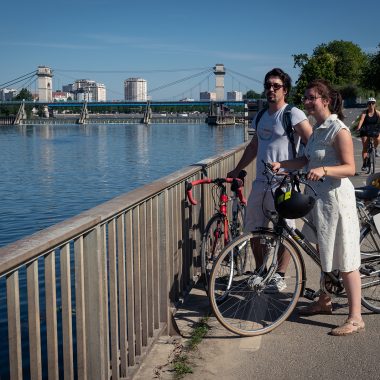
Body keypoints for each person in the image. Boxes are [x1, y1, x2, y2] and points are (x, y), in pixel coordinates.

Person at [271, 79, 364, 336]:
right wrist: (284, 164)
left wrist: (324, 169)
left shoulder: (338, 129)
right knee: (324, 252)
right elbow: (305, 159)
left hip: (337, 200)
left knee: (345, 258)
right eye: (306, 97)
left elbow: (350, 168)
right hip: (319, 201)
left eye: (312, 97)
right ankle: (324, 301)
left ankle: (356, 317)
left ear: (326, 100)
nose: (308, 102)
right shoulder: (317, 129)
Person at [227, 67, 312, 292]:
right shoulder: (262, 115)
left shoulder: (293, 114)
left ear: (285, 90)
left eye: (276, 86)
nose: (271, 89)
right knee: (254, 228)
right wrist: (237, 170)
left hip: (283, 184)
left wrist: (300, 167)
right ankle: (261, 271)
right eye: (268, 85)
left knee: (284, 230)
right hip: (261, 183)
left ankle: (280, 275)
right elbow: (254, 146)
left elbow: (312, 144)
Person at [356, 97, 380, 170]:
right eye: (369, 103)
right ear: (367, 104)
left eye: (373, 103)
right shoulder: (364, 112)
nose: (371, 105)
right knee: (365, 147)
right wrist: (358, 128)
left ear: (375, 104)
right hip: (365, 129)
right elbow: (361, 120)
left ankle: (375, 149)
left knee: (378, 138)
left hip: (374, 128)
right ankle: (364, 164)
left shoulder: (378, 112)